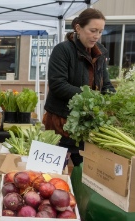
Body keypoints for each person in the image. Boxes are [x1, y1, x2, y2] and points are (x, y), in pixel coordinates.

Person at [43, 8, 116, 167]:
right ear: (78, 28)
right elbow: (58, 85)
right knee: (55, 172)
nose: (96, 36)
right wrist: (94, 98)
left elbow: (106, 84)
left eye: (100, 31)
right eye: (92, 30)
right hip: (61, 123)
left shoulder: (99, 54)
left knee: (86, 172)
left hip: (88, 125)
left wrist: (115, 101)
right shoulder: (63, 51)